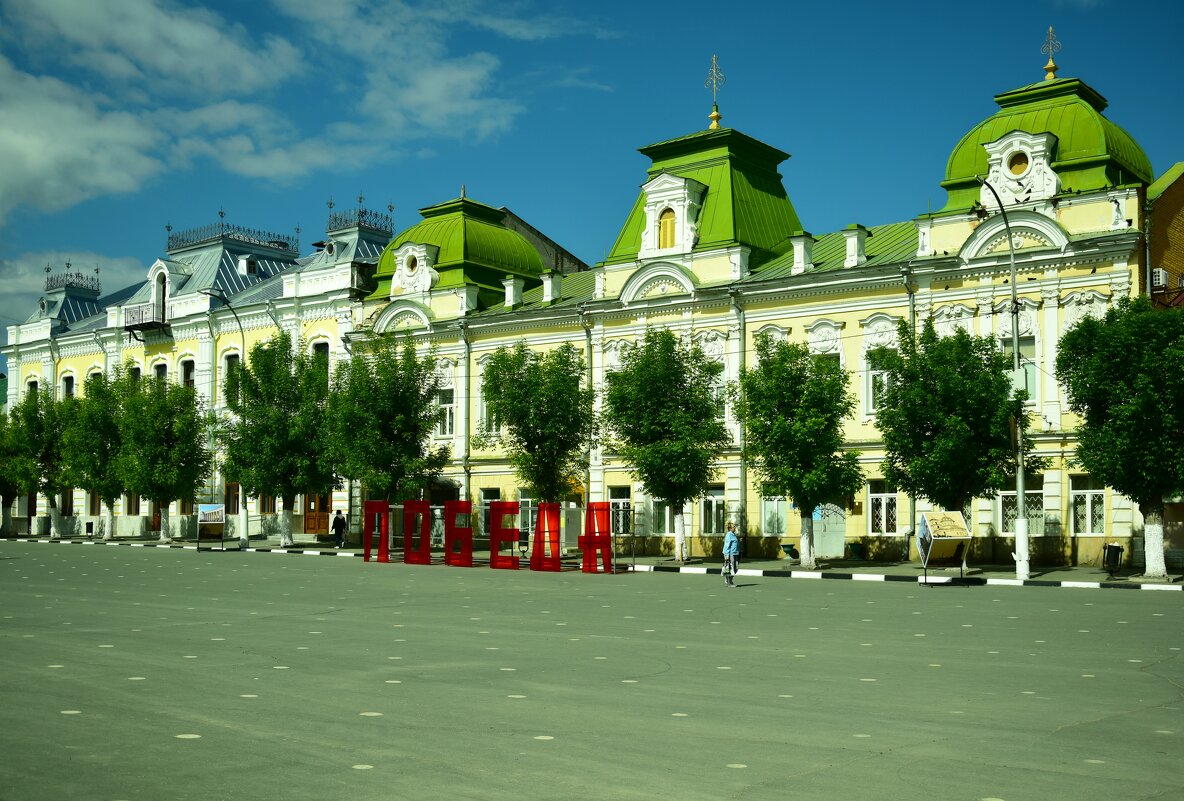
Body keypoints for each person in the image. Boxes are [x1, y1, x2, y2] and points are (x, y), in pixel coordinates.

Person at [722, 522, 739, 587]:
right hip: (730, 554)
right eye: (734, 527)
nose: (735, 528)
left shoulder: (733, 534)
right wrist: (726, 555)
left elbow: (733, 543)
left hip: (735, 553)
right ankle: (729, 582)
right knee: (730, 568)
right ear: (730, 528)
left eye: (735, 526)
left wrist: (739, 541)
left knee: (736, 568)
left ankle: (728, 579)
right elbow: (727, 545)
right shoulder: (729, 534)